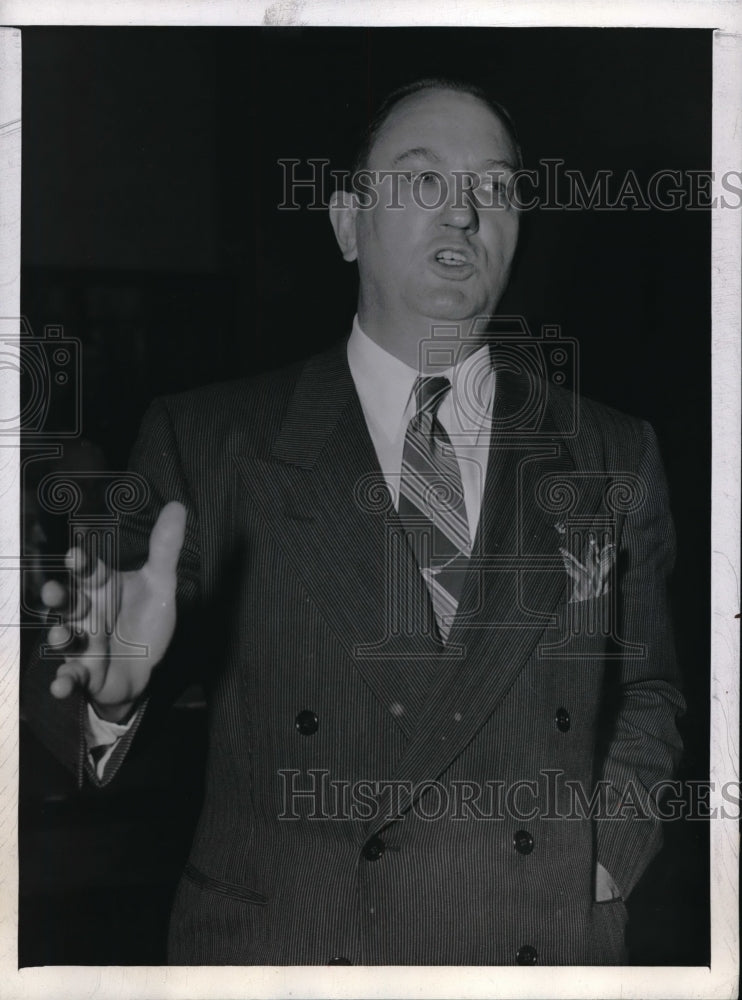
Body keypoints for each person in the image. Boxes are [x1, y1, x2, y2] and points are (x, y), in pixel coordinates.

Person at [22, 78, 685, 965]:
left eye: (495, 188)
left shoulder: (610, 450)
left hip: (538, 949)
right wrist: (116, 695)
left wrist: (605, 855)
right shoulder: (213, 438)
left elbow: (652, 692)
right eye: (421, 180)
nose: (463, 213)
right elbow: (72, 701)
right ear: (345, 222)